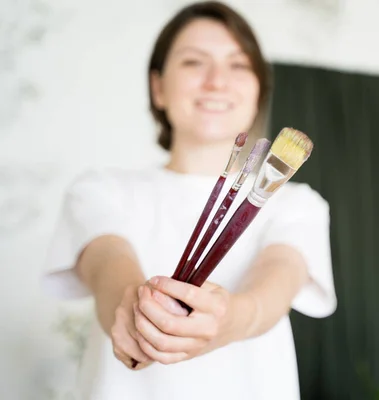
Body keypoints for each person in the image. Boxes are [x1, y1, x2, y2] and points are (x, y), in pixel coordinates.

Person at [42, 2, 337, 399]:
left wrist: (232, 318)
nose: (217, 81)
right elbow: (109, 262)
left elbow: (277, 280)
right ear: (158, 87)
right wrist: (132, 313)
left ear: (258, 91)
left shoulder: (298, 204)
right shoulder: (98, 189)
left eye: (238, 65)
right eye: (194, 63)